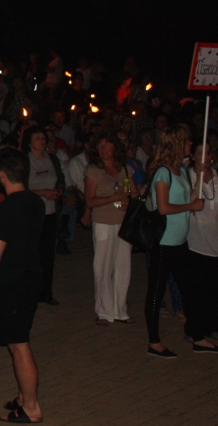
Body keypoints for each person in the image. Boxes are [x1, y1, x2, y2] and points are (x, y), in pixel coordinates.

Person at [144, 129, 213, 357]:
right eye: (186, 141)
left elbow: (190, 197)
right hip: (164, 242)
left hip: (181, 241)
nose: (190, 144)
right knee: (156, 291)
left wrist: (198, 180)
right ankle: (154, 342)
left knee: (190, 290)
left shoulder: (181, 170)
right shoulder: (163, 173)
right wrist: (190, 207)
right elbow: (163, 208)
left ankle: (197, 336)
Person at [0, 148, 45, 424]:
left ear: (2, 175)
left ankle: (31, 406)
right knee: (17, 341)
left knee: (19, 344)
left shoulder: (6, 208)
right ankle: (24, 396)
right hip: (32, 275)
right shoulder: (36, 202)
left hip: (14, 281)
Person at [82, 131, 136, 325]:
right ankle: (104, 311)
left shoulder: (125, 168)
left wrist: (129, 200)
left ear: (115, 147)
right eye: (100, 145)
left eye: (107, 144)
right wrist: (114, 198)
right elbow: (90, 200)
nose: (103, 148)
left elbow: (133, 192)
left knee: (123, 267)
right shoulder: (94, 169)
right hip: (103, 222)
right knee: (103, 266)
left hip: (123, 223)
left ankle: (120, 310)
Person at [23, 127, 64, 305]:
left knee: (48, 255)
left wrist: (58, 190)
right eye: (37, 138)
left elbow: (60, 179)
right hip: (33, 214)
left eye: (43, 137)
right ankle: (31, 292)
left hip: (50, 212)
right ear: (29, 142)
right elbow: (21, 189)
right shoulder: (25, 162)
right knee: (33, 255)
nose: (42, 140)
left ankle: (46, 292)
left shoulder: (52, 159)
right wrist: (43, 192)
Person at [188, 139, 218, 339]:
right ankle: (196, 329)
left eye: (208, 153)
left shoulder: (216, 176)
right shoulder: (188, 176)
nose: (205, 157)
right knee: (199, 288)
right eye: (200, 153)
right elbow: (190, 201)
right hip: (196, 241)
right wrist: (199, 177)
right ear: (192, 156)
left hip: (215, 239)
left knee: (213, 288)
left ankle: (212, 324)